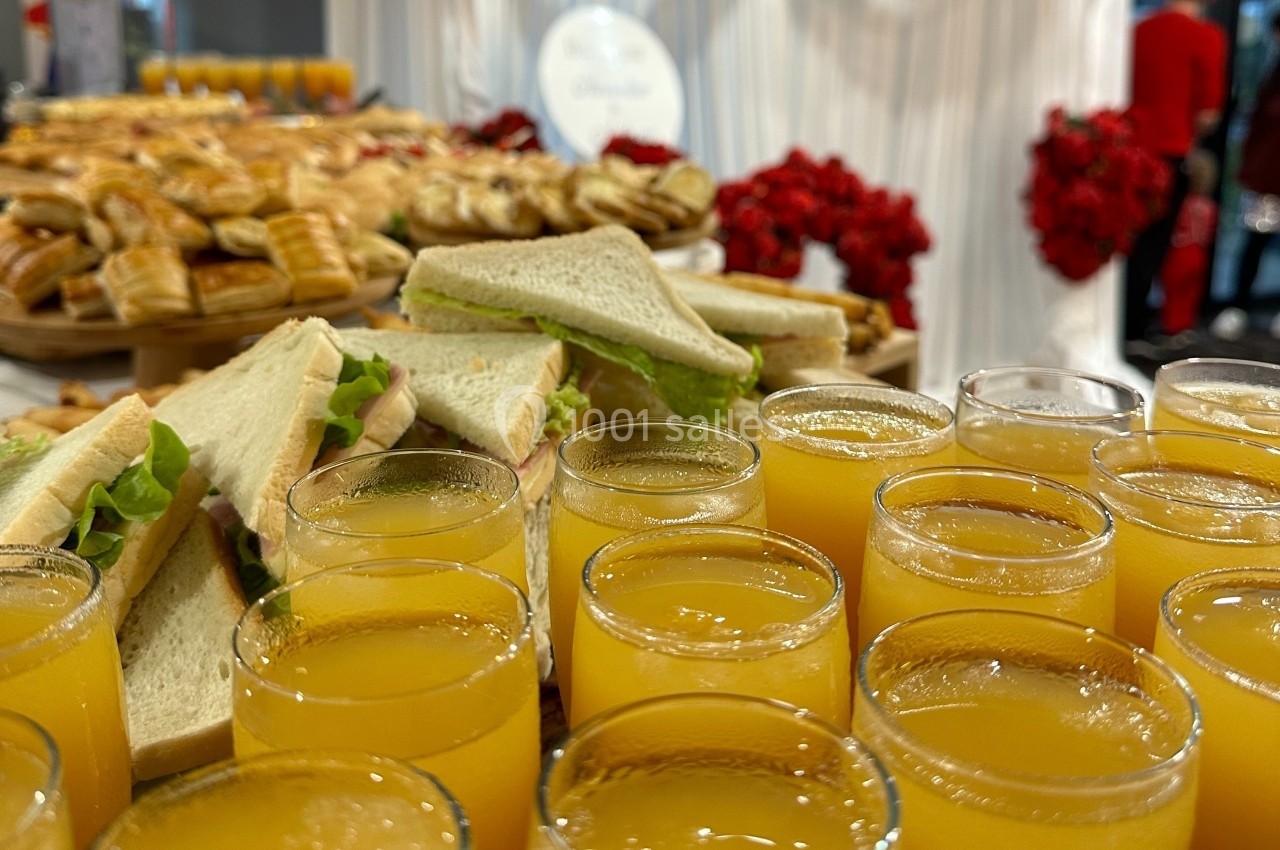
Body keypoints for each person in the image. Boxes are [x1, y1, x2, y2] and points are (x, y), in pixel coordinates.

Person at [1125, 0, 1227, 345]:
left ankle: (1123, 326)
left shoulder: (1138, 28)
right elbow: (1208, 113)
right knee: (1153, 248)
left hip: (1127, 152)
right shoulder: (1207, 36)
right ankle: (1136, 330)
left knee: (1127, 246)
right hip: (1169, 156)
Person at [1212, 11, 1280, 341]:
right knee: (1254, 243)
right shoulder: (1273, 71)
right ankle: (1238, 307)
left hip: (1269, 175)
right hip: (1268, 178)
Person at [1159, 150, 1218, 339]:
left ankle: (1171, 328)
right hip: (1199, 254)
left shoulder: (1182, 205)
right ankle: (1185, 326)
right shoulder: (1210, 206)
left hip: (1179, 253)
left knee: (1174, 293)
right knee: (1191, 293)